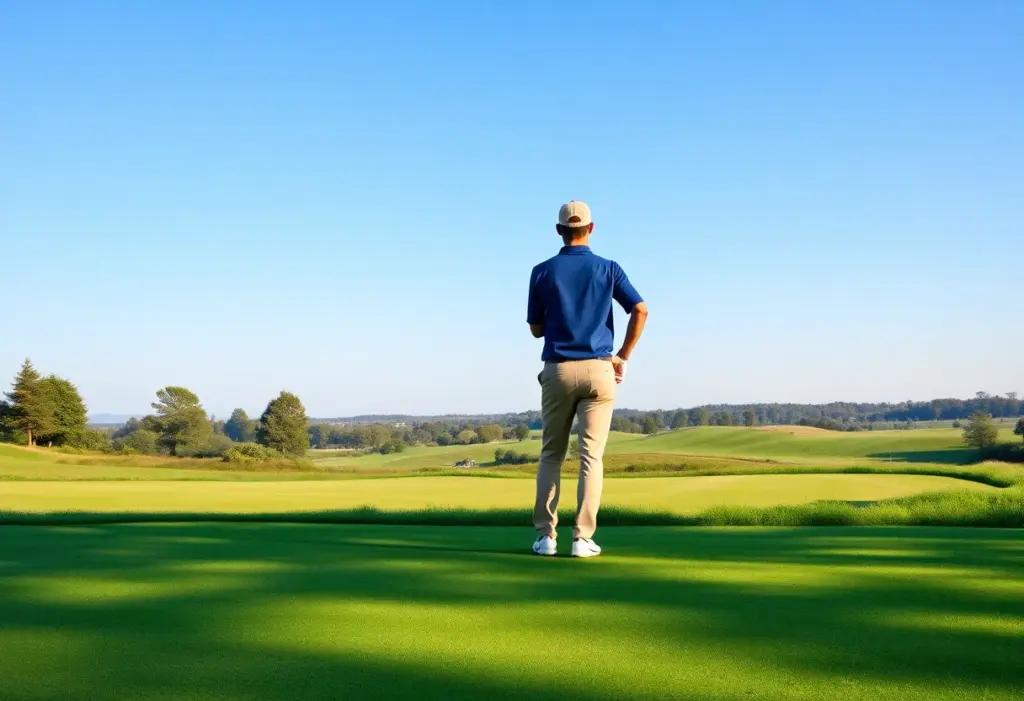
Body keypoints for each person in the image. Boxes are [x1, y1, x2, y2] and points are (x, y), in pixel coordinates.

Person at [526, 200, 648, 557]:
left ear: (559, 231)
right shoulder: (609, 268)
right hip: (599, 369)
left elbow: (536, 330)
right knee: (590, 456)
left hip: (558, 368)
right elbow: (640, 309)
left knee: (551, 453)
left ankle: (547, 537)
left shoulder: (542, 271)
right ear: (591, 229)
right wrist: (623, 356)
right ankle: (582, 539)